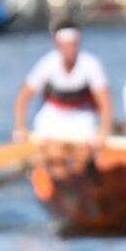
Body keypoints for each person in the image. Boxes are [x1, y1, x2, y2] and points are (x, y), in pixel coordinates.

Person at [13, 22, 113, 180]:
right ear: (57, 44)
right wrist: (20, 128)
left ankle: (78, 181)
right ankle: (60, 183)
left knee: (82, 155)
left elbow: (105, 102)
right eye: (66, 45)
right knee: (55, 154)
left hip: (82, 117)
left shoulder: (90, 64)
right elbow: (23, 98)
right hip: (53, 117)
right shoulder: (47, 64)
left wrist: (104, 131)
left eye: (73, 44)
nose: (70, 49)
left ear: (78, 43)